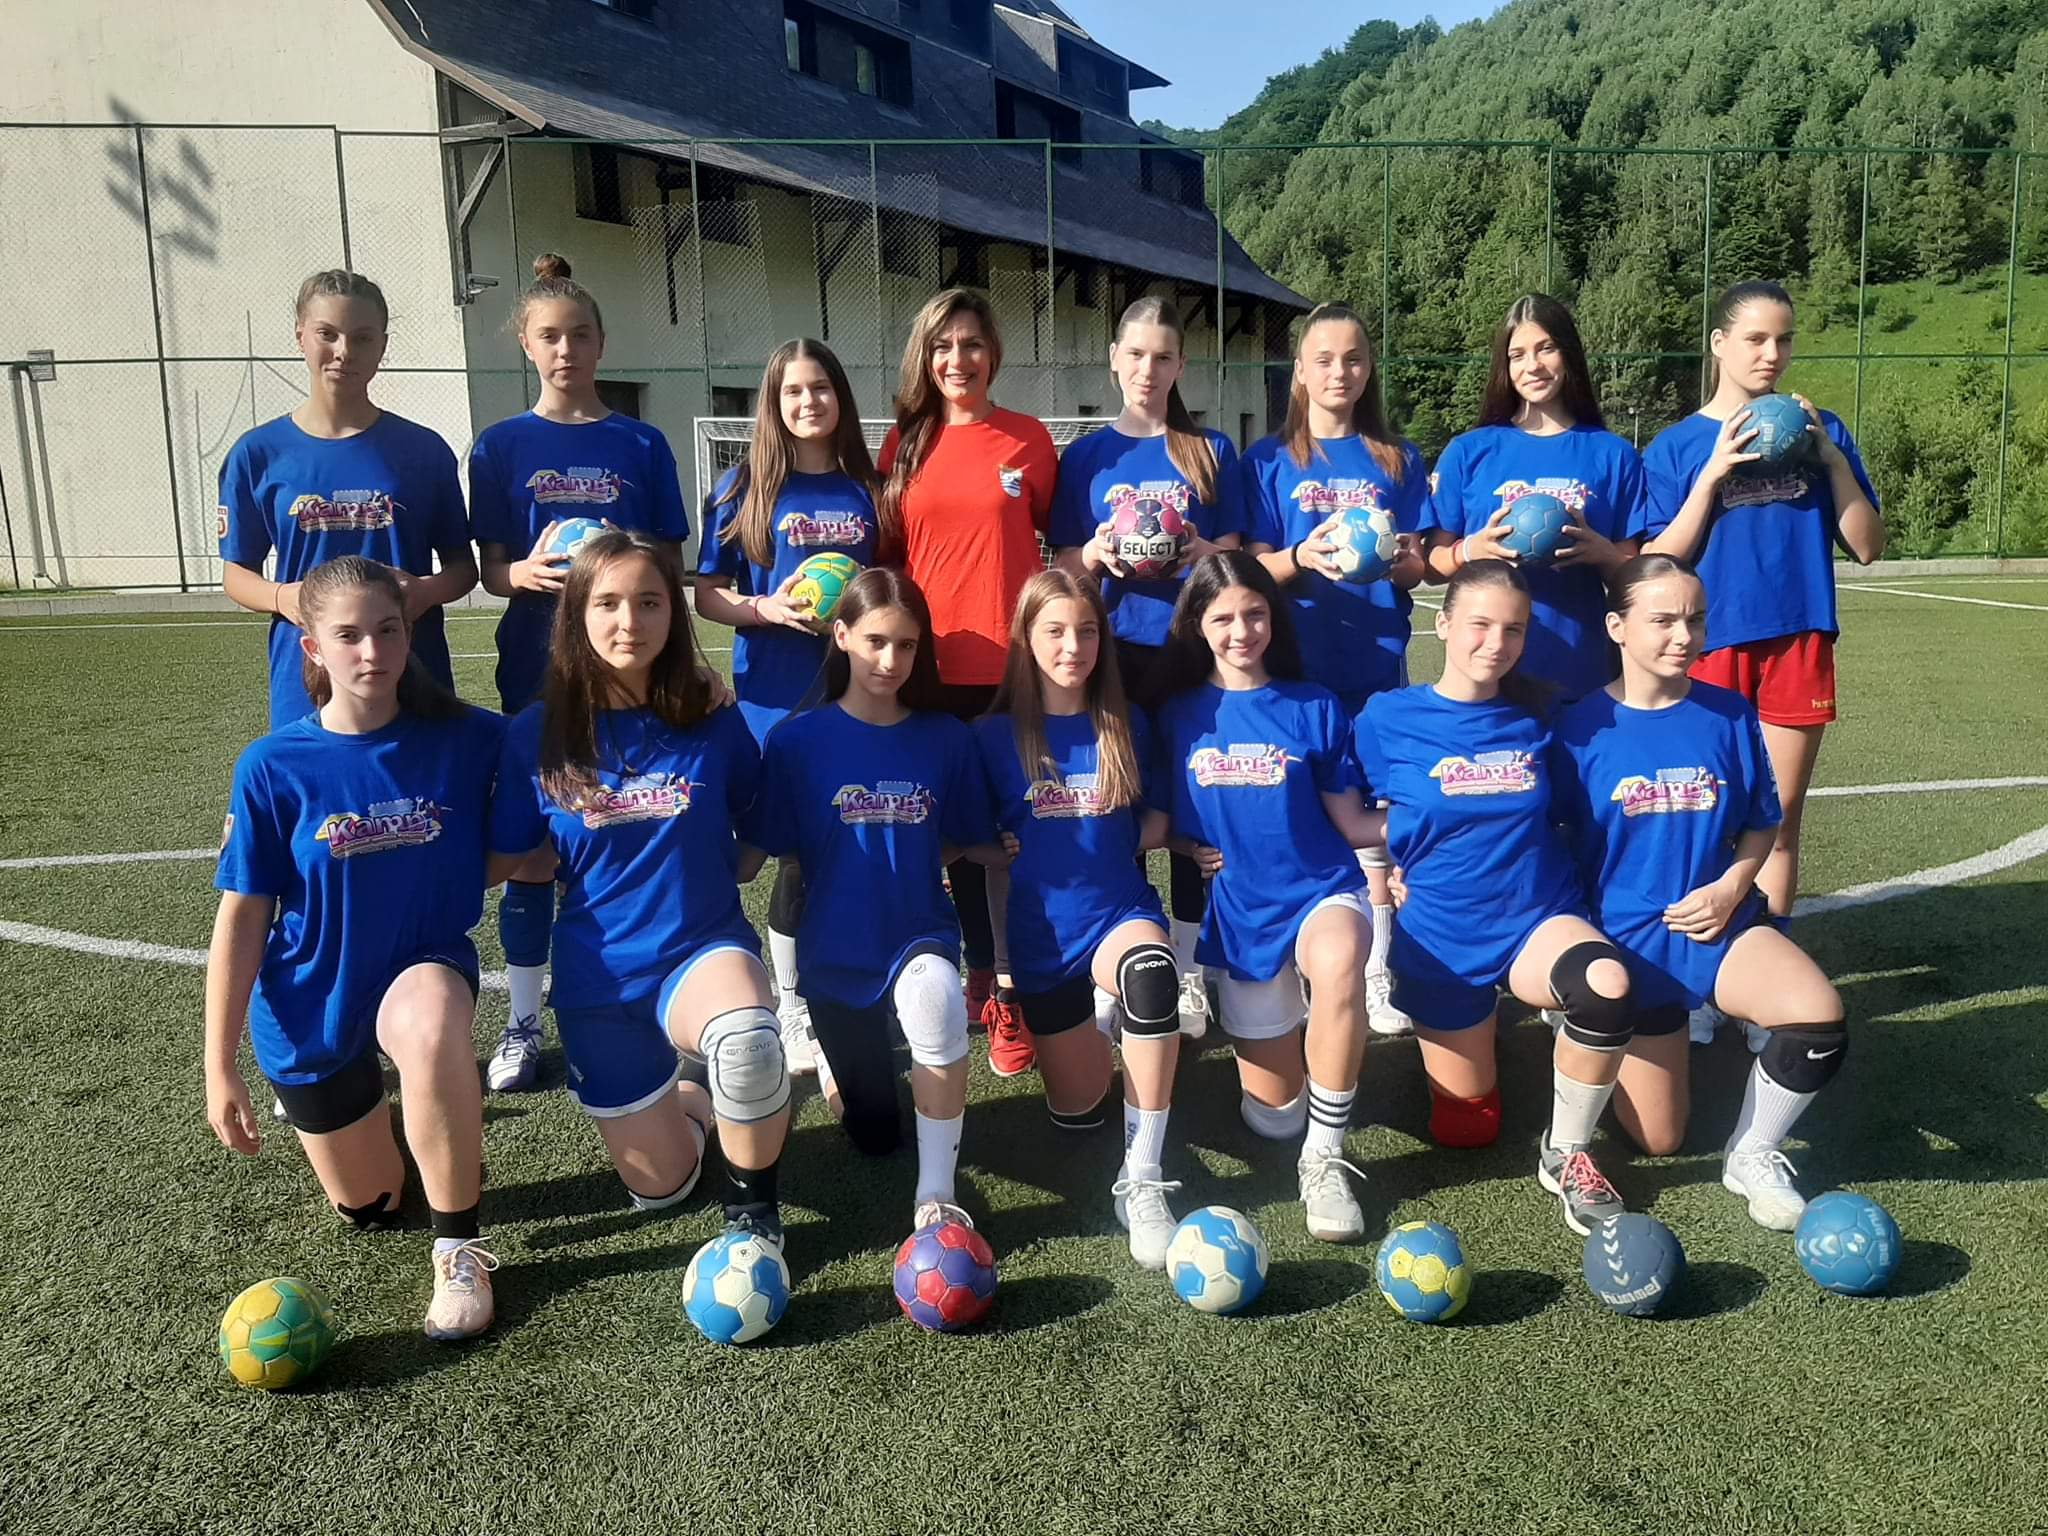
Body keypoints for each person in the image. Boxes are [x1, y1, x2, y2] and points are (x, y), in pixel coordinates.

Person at [204, 556, 503, 1340]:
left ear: (409, 633)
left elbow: (578, 734)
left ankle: (459, 1248)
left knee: (433, 1023)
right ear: (312, 648)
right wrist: (220, 1066)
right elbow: (242, 919)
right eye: (349, 636)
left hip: (418, 967)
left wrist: (694, 690)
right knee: (373, 1206)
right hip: (312, 1003)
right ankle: (421, 1125)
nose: (373, 652)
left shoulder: (468, 737)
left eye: (389, 630)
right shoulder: (272, 765)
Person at [488, 530, 790, 1248]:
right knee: (664, 1189)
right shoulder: (536, 733)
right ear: (576, 615)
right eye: (609, 603)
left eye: (650, 602)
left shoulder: (711, 718)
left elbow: (757, 828)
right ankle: (693, 1103)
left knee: (747, 1041)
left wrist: (716, 870)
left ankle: (754, 1221)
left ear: (673, 613)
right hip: (599, 982)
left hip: (700, 951)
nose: (631, 622)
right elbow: (504, 861)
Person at [1549, 554, 1847, 1230]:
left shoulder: (1729, 715)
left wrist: (1732, 886)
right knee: (1659, 1139)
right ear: (1617, 628)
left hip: (1718, 929)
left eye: (1695, 620)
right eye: (1663, 621)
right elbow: (1549, 840)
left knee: (1817, 1016)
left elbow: (1763, 823)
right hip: (1628, 950)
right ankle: (1595, 1039)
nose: (1683, 636)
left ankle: (1753, 1152)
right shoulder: (1578, 729)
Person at [1355, 559, 1638, 1238]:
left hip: (1536, 918)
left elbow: (1584, 812)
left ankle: (1566, 1153)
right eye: (1480, 624)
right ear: (1444, 623)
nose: (1496, 643)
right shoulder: (1387, 717)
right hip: (1441, 936)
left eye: (1513, 629)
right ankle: (1487, 1035)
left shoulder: (1543, 714)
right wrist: (1377, 874)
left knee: (1605, 987)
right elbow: (1345, 810)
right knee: (1468, 1127)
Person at [469, 253, 692, 1092]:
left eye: (581, 335)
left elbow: (668, 560)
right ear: (527, 345)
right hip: (538, 662)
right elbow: (489, 569)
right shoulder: (500, 445)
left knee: (631, 821)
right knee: (533, 850)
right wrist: (521, 574)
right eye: (550, 336)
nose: (566, 350)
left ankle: (649, 993)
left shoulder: (640, 442)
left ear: (601, 343)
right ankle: (524, 1022)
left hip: (632, 669)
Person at [1642, 280, 1885, 1038]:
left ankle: (1766, 977)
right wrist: (1714, 473)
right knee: (1700, 819)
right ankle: (1697, 982)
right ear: (1719, 344)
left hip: (1797, 639)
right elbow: (1655, 558)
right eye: (1755, 339)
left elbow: (1868, 546)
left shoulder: (1822, 430)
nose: (1772, 354)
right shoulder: (1678, 446)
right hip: (1705, 645)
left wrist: (1830, 458)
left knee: (1776, 822)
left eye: (1783, 340)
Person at [743, 568, 1006, 1235]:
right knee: (875, 1134)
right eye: (875, 642)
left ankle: (936, 1196)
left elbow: (969, 839)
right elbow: (768, 852)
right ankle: (841, 1072)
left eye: (907, 645)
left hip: (917, 932)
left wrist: (1027, 836)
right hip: (833, 953)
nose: (890, 660)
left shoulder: (946, 737)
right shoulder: (795, 742)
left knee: (937, 998)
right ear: (841, 636)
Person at [1153, 551, 1386, 1242]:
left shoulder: (1314, 705)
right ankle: (1310, 1082)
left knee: (1340, 960)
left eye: (1255, 614)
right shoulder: (1176, 716)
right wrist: (1184, 845)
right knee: (1276, 1116)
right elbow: (1160, 821)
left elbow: (1353, 823)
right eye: (1223, 618)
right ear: (1197, 625)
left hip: (1321, 891)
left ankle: (1326, 1157)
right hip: (1241, 917)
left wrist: (1441, 819)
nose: (1241, 631)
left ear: (1273, 618)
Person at [977, 570, 1186, 1268]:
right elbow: (965, 838)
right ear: (1025, 640)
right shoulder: (991, 736)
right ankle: (1098, 1023)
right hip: (1043, 945)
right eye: (1056, 631)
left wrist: (1127, 840)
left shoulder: (1127, 724)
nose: (1074, 647)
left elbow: (1159, 816)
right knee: (1080, 1113)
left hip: (1119, 914)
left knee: (1151, 976)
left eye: (1088, 631)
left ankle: (1144, 1178)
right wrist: (994, 846)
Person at [1050, 296, 1246, 1039]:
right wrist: (1096, 553)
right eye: (1135, 354)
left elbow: (1234, 554)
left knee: (1192, 807)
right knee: (1121, 804)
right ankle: (1123, 957)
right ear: (1114, 359)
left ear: (1181, 365)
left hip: (1192, 653)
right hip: (1114, 655)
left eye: (1163, 357)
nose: (1148, 369)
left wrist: (1202, 553)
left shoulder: (1209, 449)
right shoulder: (1087, 457)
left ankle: (1190, 967)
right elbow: (1063, 561)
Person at [880, 288, 1059, 1076]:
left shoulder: (1028, 440)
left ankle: (1011, 990)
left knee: (1012, 835)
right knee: (952, 835)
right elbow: (889, 562)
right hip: (926, 673)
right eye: (943, 345)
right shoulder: (902, 446)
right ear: (926, 357)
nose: (959, 359)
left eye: (972, 343)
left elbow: (1058, 544)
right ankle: (975, 971)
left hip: (1011, 671)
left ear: (994, 354)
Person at [694, 338, 884, 1076]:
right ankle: (769, 995)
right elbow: (708, 594)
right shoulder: (743, 487)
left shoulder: (869, 487)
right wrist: (764, 609)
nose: (809, 402)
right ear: (773, 403)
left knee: (828, 846)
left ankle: (819, 994)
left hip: (851, 694)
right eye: (793, 391)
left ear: (841, 397)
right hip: (773, 696)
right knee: (758, 850)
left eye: (821, 388)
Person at [1242, 303, 1429, 1038]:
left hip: (1373, 668)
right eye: (1323, 359)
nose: (1339, 372)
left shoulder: (1396, 458)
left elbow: (1418, 563)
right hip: (1291, 674)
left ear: (1368, 368)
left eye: (1353, 358)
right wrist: (1300, 557)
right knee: (1295, 817)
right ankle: (1299, 962)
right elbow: (1245, 570)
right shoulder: (1267, 461)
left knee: (1373, 823)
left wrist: (1403, 559)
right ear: (1300, 371)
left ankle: (1377, 972)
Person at [217, 270, 476, 732]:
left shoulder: (422, 450)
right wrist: (284, 597)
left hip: (411, 667)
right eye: (327, 334)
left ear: (382, 346)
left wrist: (424, 592)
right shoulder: (257, 453)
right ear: (300, 335)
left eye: (361, 338)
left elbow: (462, 568)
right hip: (306, 673)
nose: (344, 351)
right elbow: (236, 575)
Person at [1420, 292, 1646, 699]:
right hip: (1488, 675)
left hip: (1582, 667)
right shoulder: (1469, 451)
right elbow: (1432, 567)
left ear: (1568, 354)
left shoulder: (1614, 455)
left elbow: (1633, 579)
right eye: (1518, 355)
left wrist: (1602, 553)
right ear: (1504, 366)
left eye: (1546, 349)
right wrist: (1472, 550)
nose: (1533, 365)